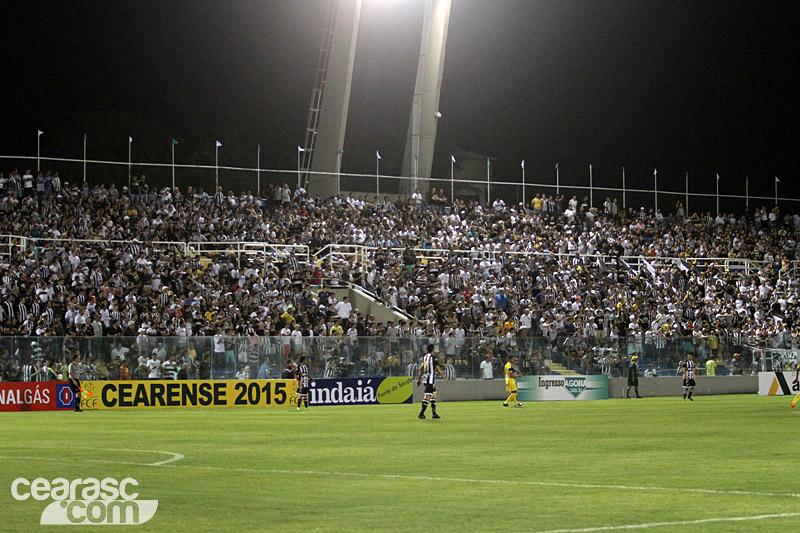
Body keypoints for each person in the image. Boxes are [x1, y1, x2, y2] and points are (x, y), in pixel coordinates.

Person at [417, 344, 447, 419]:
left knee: (434, 394)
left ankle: (434, 413)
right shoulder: (433, 358)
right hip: (430, 379)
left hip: (425, 378)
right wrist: (444, 377)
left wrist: (419, 378)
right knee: (428, 395)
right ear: (433, 349)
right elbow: (437, 368)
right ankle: (421, 413)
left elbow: (422, 368)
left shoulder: (425, 357)